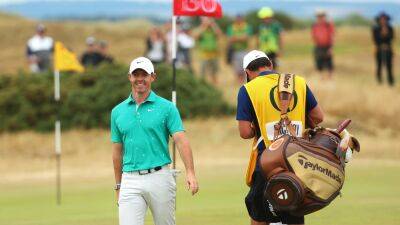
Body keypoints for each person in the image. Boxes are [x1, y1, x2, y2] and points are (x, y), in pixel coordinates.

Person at [236, 50, 324, 225]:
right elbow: (318, 117)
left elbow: (245, 132)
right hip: (297, 159)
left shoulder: (248, 89)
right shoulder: (297, 82)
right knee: (293, 211)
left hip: (268, 160)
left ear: (248, 72)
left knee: (259, 215)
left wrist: (258, 127)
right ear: (270, 65)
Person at [111, 56, 199, 225]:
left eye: (144, 74)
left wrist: (190, 172)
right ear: (130, 77)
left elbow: (181, 140)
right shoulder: (117, 111)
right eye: (135, 74)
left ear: (152, 77)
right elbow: (117, 151)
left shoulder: (167, 107)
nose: (140, 79)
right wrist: (118, 185)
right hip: (130, 179)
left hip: (160, 177)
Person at [193, 17, 223, 84]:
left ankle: (215, 85)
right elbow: (196, 36)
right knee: (203, 72)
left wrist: (213, 24)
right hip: (204, 54)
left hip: (214, 54)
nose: (207, 22)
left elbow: (219, 34)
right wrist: (204, 26)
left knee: (214, 72)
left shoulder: (213, 29)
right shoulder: (200, 29)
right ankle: (202, 84)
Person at [227, 15, 253, 83]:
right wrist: (241, 37)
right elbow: (230, 39)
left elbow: (247, 37)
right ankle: (239, 81)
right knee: (237, 68)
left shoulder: (247, 26)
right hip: (235, 51)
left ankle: (243, 81)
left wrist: (235, 38)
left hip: (244, 50)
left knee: (245, 67)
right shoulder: (231, 27)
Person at [373, 12, 395, 86]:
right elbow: (375, 40)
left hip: (388, 49)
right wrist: (382, 34)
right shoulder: (376, 29)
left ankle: (390, 81)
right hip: (379, 49)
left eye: (384, 19)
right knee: (379, 65)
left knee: (389, 66)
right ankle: (379, 81)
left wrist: (386, 34)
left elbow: (391, 38)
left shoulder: (390, 28)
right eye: (381, 19)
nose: (383, 21)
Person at [311, 10, 335, 79]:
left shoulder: (328, 25)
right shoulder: (314, 25)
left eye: (322, 16)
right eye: (318, 16)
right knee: (318, 61)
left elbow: (332, 36)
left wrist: (331, 47)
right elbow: (313, 35)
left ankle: (330, 77)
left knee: (328, 62)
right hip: (318, 46)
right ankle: (320, 77)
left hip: (327, 45)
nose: (320, 18)